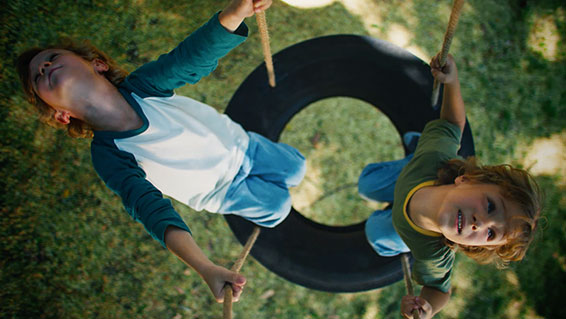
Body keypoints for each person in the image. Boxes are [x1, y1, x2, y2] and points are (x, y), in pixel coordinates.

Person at [16, 0, 306, 303]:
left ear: (97, 64)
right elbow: (151, 210)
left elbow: (191, 58)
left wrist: (235, 13)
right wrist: (205, 267)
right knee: (278, 208)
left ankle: (282, 173)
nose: (45, 66)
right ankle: (268, 201)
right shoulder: (109, 156)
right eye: (39, 76)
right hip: (222, 191)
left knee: (296, 168)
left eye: (50, 58)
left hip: (242, 146)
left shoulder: (144, 85)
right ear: (61, 114)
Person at [358, 53, 542, 318]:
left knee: (376, 234)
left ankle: (393, 217)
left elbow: (440, 290)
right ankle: (414, 148)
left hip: (404, 229)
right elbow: (454, 123)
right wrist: (452, 81)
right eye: (490, 206)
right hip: (413, 175)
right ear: (467, 179)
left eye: (491, 235)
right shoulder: (436, 156)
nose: (481, 224)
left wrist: (428, 307)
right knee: (366, 183)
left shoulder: (434, 253)